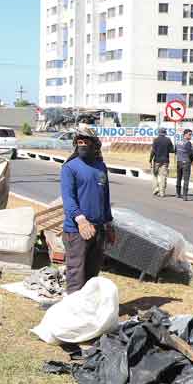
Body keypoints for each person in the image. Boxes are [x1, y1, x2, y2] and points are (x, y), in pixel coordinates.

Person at [60, 123, 114, 294]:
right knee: (76, 276)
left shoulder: (100, 167)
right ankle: (73, 314)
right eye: (79, 142)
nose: (82, 145)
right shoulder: (70, 168)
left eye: (86, 141)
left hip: (98, 229)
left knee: (92, 277)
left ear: (94, 144)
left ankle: (88, 311)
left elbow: (105, 197)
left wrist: (109, 224)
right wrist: (81, 220)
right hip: (77, 231)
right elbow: (68, 199)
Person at [149, 127, 174, 198]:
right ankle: (162, 192)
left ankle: (156, 187)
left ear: (159, 133)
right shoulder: (168, 140)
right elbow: (172, 150)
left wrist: (150, 159)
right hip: (165, 161)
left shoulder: (155, 140)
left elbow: (153, 151)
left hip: (157, 160)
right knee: (163, 176)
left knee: (154, 174)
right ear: (165, 133)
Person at [175, 129, 193, 200]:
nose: (190, 136)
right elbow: (191, 153)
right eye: (189, 134)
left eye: (191, 134)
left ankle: (178, 193)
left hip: (179, 161)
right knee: (186, 179)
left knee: (179, 178)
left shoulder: (178, 142)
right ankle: (184, 195)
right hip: (186, 162)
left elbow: (175, 151)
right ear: (185, 134)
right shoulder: (188, 143)